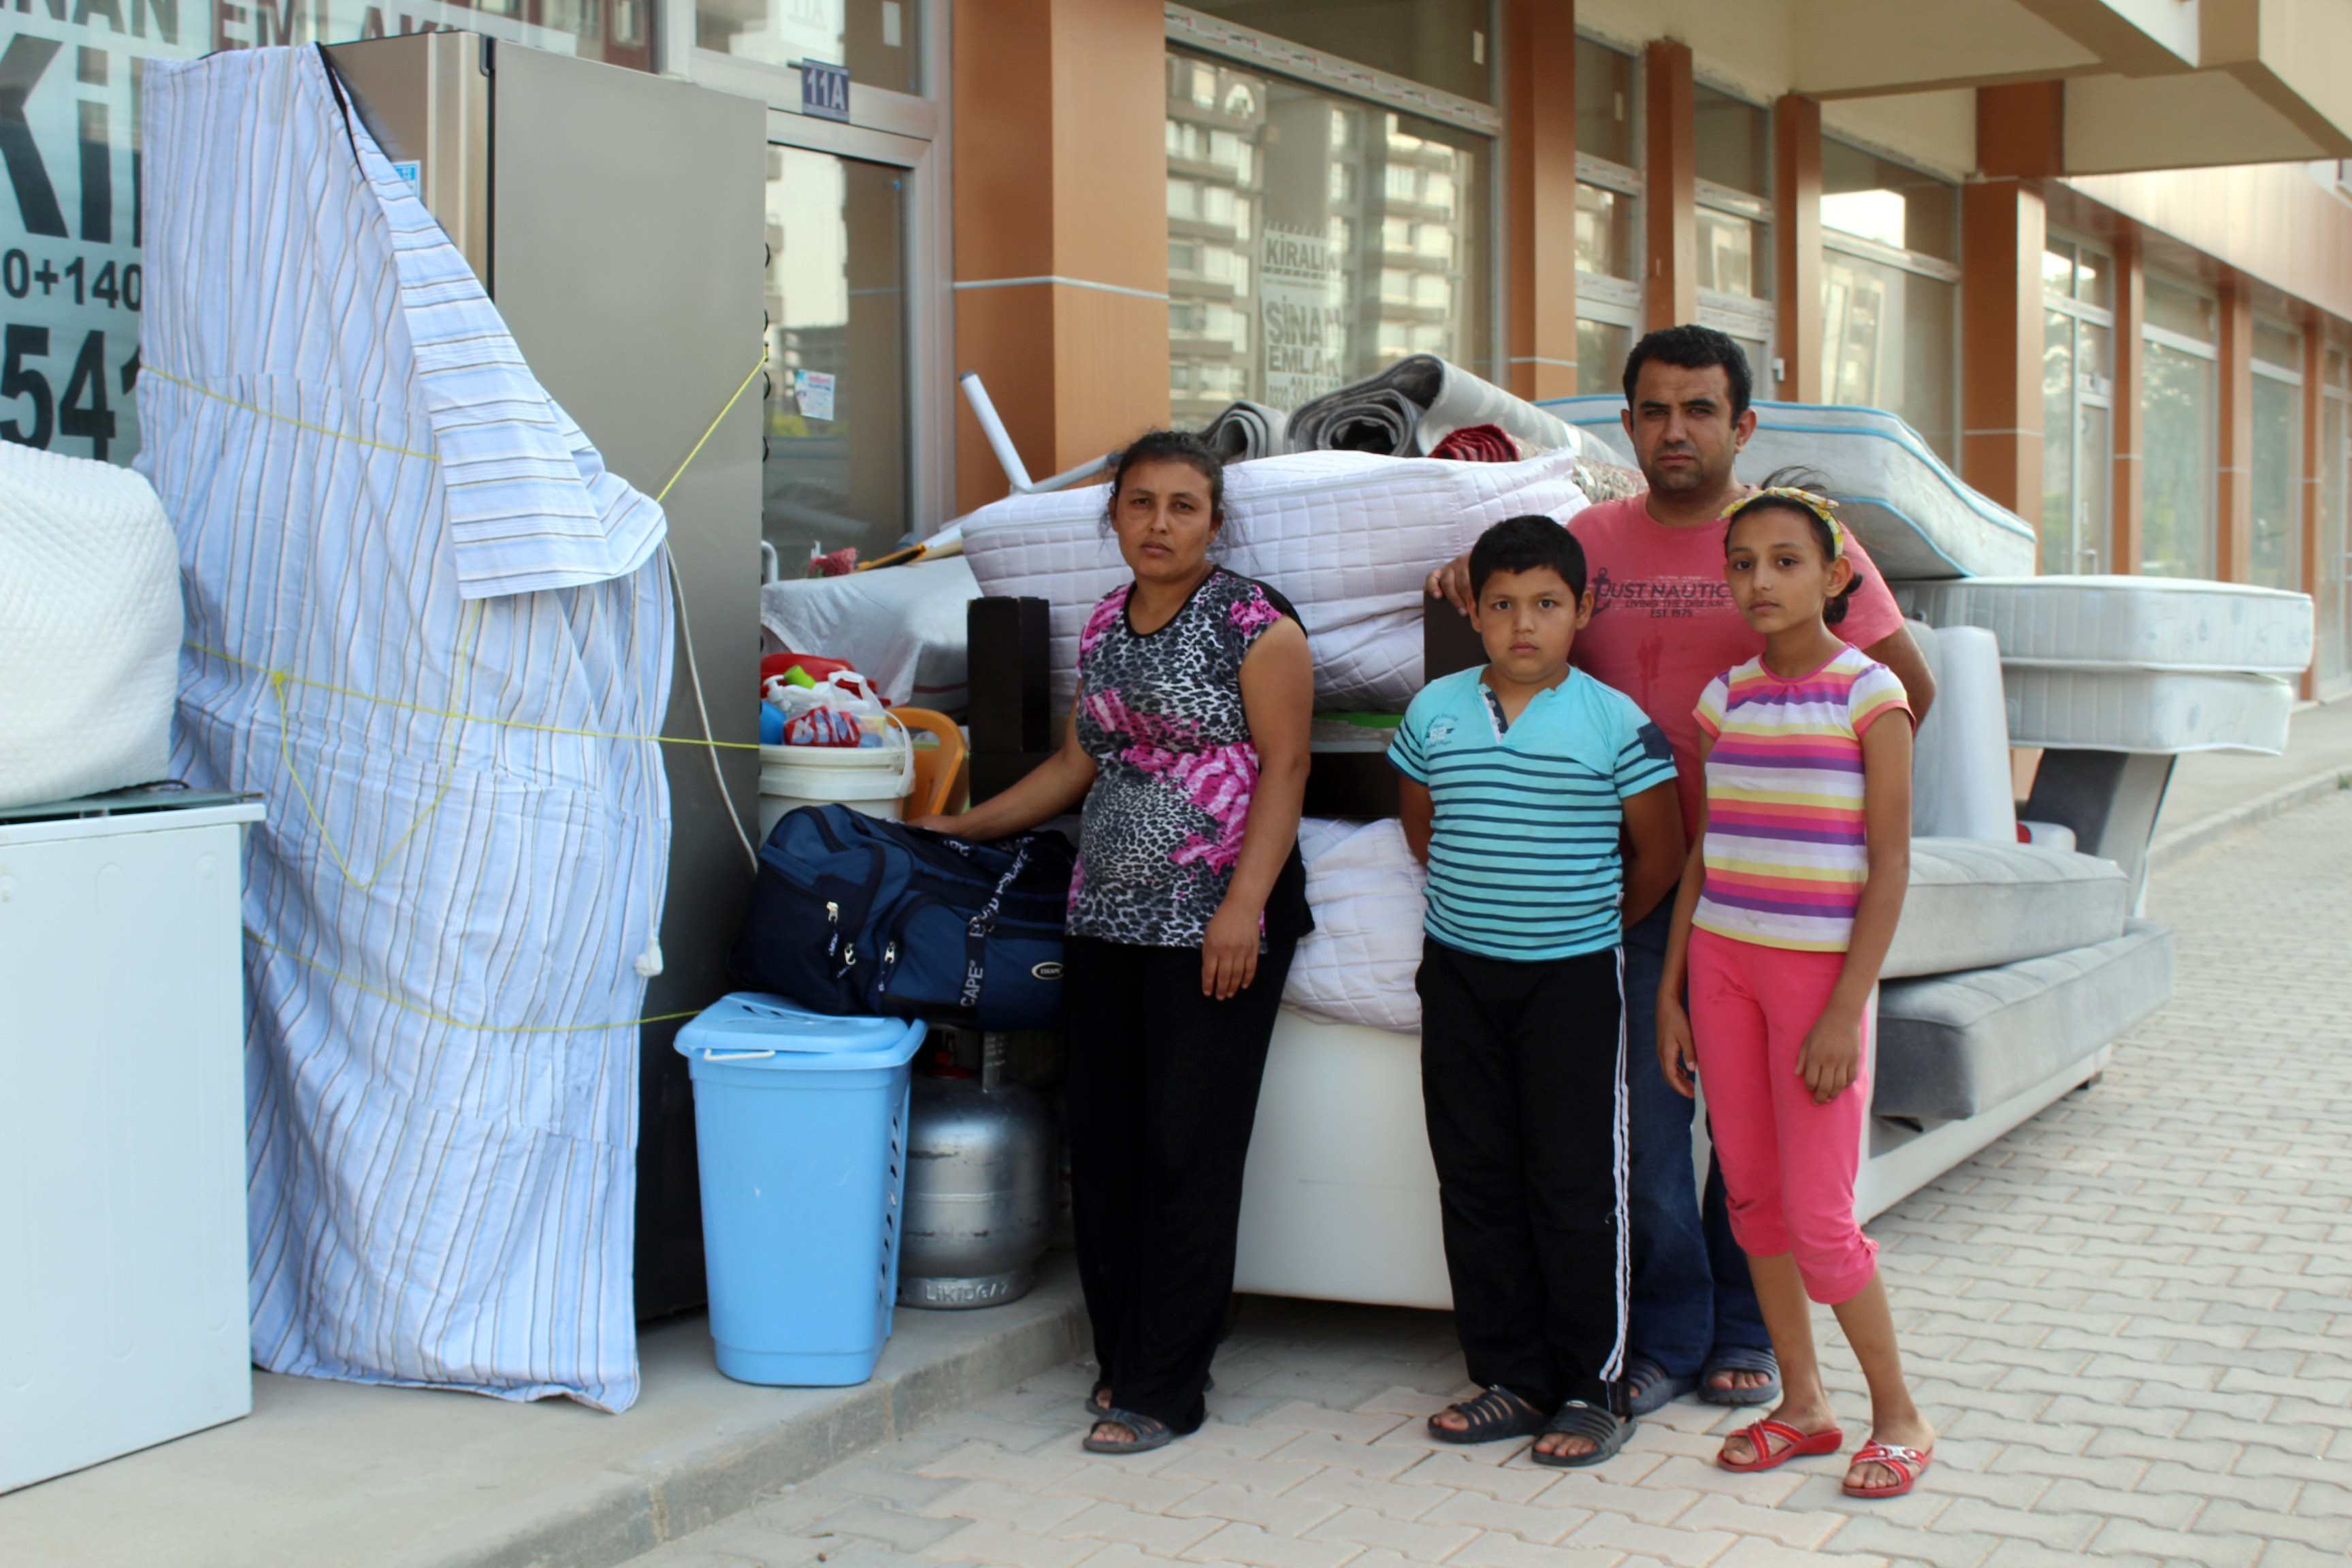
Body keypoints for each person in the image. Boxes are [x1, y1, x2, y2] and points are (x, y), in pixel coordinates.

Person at [1425, 326, 1936, 1416]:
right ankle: (1666, 1332)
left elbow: (1905, 690)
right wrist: (1460, 573)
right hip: (1647, 886)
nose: (1676, 430)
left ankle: (1750, 1334)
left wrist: (1822, 809)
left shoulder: (1795, 540)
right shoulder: (1591, 536)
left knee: (1765, 1135)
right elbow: (1520, 600)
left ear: (1742, 425)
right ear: (1627, 422)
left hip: (1782, 903)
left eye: (1701, 409)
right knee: (1654, 1132)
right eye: (1654, 410)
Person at [911, 429, 1313, 1456]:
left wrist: (1245, 906)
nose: (1160, 523)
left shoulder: (1255, 624)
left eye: (1184, 505)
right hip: (1105, 917)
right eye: (1141, 503)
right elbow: (1077, 763)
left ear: (1215, 522)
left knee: (1190, 1148)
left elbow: (1287, 766)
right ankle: (1120, 1357)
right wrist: (962, 827)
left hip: (1215, 925)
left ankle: (1169, 1387)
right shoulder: (1103, 626)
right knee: (1110, 1143)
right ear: (1115, 515)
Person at [1656, 477, 1933, 1499]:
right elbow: (1706, 853)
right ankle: (1803, 1406)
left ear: (1835, 575)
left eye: (1784, 561)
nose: (1760, 580)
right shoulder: (1724, 698)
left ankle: (1899, 1413)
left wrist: (1845, 1010)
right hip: (1723, 969)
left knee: (1822, 1220)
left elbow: (1891, 866)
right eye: (1741, 563)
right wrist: (1675, 992)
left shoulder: (1872, 694)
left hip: (1818, 981)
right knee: (1754, 1201)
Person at [1390, 517, 1685, 1467]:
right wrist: (1483, 914)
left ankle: (1590, 1385)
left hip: (1572, 982)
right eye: (1504, 604)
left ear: (1581, 610)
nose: (1525, 624)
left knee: (1573, 1182)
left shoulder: (1614, 723)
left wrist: (1578, 924)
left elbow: (1661, 856)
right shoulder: (1432, 711)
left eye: (1547, 604)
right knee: (1474, 1173)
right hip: (1462, 975)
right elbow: (1422, 829)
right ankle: (1508, 1377)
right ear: (1473, 609)